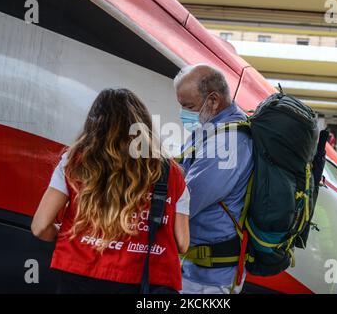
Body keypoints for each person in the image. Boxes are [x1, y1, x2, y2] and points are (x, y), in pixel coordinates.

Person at [31, 88, 190, 294]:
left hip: (80, 274)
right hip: (146, 281)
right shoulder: (171, 172)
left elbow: (40, 226)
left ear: (94, 124)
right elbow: (182, 243)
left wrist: (75, 236)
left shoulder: (74, 162)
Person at [174, 64, 253, 294]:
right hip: (194, 270)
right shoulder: (210, 129)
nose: (183, 113)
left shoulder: (228, 143)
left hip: (209, 281)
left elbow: (185, 201)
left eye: (188, 106)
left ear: (213, 100)